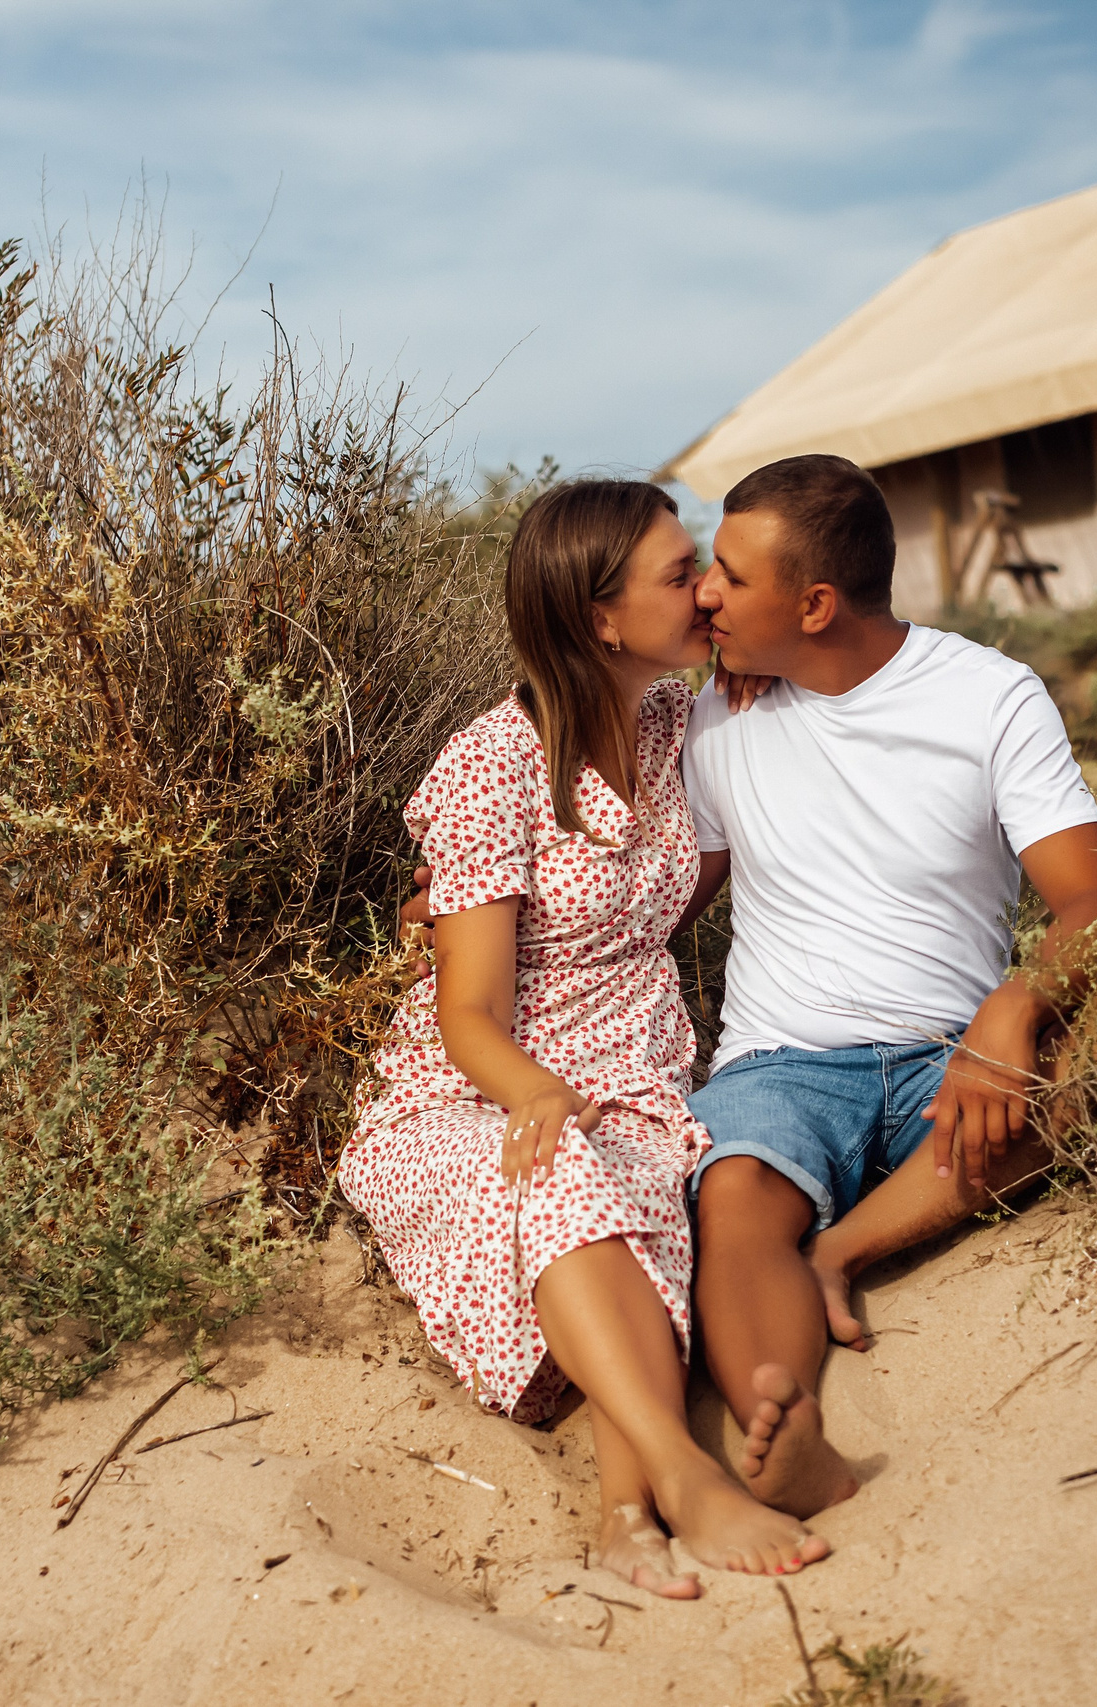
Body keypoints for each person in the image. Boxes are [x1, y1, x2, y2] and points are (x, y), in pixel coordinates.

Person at [339, 479, 828, 1599]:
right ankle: (676, 1477)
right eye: (676, 573)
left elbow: (684, 879)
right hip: (477, 1085)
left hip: (641, 1068)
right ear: (600, 618)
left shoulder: (679, 720)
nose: (705, 588)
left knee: (628, 1185)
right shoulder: (490, 768)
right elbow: (467, 1012)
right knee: (564, 1165)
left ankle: (624, 1517)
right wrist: (538, 1092)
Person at [681, 454, 1097, 1521]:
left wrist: (1010, 1009)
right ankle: (782, 1427)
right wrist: (476, 914)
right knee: (732, 1192)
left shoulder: (985, 695)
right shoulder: (716, 716)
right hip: (783, 1062)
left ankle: (840, 1248)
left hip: (952, 1063)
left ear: (815, 603)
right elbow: (660, 899)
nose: (705, 592)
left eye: (730, 578)